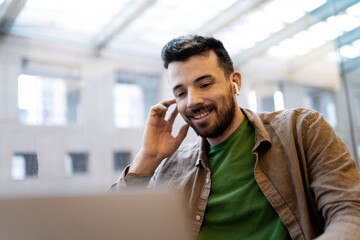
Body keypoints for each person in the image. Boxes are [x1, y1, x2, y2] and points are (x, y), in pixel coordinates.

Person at [111, 35, 360, 240]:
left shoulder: (301, 129)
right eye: (180, 92)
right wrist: (148, 158)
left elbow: (350, 212)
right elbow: (111, 226)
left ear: (235, 82)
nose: (193, 101)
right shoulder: (169, 169)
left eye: (205, 84)